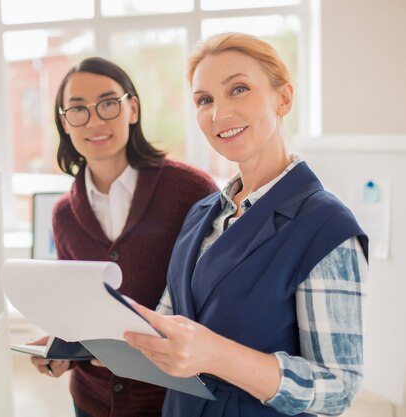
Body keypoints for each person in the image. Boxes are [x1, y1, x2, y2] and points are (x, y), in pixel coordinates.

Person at [124, 33, 369, 417]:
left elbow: (338, 388)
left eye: (239, 89)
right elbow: (171, 319)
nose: (219, 115)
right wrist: (101, 337)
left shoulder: (327, 227)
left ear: (283, 99)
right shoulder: (202, 213)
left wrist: (217, 355)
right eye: (205, 100)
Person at [29, 57, 218, 417]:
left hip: (171, 400)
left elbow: (213, 301)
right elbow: (77, 308)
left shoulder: (190, 190)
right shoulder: (64, 215)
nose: (95, 120)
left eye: (108, 103)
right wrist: (65, 350)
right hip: (92, 401)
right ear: (64, 123)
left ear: (132, 108)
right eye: (78, 109)